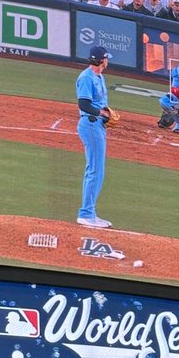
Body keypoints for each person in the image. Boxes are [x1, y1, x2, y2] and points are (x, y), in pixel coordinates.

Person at [75, 45, 114, 229]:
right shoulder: (86, 77)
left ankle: (90, 212)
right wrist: (102, 113)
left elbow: (99, 103)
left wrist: (106, 115)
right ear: (101, 60)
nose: (108, 61)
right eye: (107, 58)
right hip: (90, 124)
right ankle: (86, 213)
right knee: (95, 170)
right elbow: (84, 104)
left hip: (97, 125)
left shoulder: (100, 77)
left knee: (97, 170)